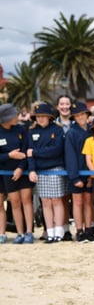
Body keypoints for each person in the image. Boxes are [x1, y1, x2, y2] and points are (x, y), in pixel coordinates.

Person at [26, 103, 69, 243]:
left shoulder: (57, 130)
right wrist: (32, 170)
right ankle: (49, 232)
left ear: (49, 117)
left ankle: (59, 231)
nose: (41, 119)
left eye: (43, 116)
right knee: (45, 201)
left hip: (55, 168)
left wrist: (37, 153)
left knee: (56, 200)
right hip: (40, 170)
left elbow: (56, 150)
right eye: (38, 117)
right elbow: (29, 153)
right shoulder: (32, 132)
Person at [64, 101, 94, 241]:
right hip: (76, 173)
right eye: (77, 115)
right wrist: (74, 177)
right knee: (77, 201)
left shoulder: (92, 130)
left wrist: (92, 175)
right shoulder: (71, 133)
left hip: (90, 172)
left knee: (89, 201)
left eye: (82, 114)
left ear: (87, 115)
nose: (80, 117)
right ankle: (79, 230)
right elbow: (69, 156)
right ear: (74, 118)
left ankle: (89, 229)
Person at [0, 102, 32, 244]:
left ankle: (29, 232)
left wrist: (20, 167)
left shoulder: (21, 129)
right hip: (7, 173)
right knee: (15, 203)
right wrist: (9, 156)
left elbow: (26, 150)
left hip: (22, 171)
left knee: (27, 200)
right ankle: (19, 233)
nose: (17, 117)